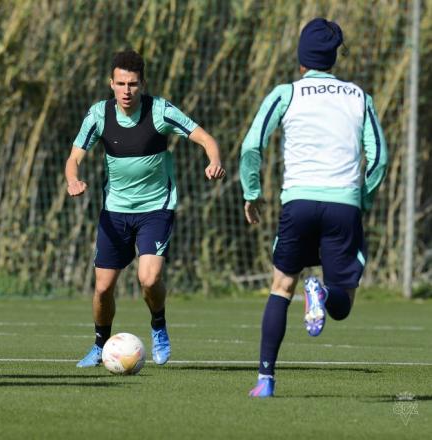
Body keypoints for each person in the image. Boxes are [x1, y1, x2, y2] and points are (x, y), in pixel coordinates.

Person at [240, 18, 388, 398]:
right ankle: (321, 294)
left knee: (281, 286)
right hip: (343, 206)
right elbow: (379, 159)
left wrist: (251, 191)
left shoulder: (285, 93)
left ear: (301, 58)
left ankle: (265, 381)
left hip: (299, 203)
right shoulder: (359, 97)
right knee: (343, 304)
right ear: (335, 57)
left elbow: (252, 144)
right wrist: (362, 200)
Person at [65, 49, 225, 368]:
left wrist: (214, 161)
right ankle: (100, 345)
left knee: (149, 279)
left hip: (156, 209)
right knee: (102, 287)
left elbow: (206, 138)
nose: (127, 91)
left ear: (143, 84)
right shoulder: (99, 114)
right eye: (121, 83)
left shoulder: (160, 111)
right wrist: (73, 179)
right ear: (111, 83)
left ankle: (158, 326)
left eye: (133, 84)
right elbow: (73, 158)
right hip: (115, 212)